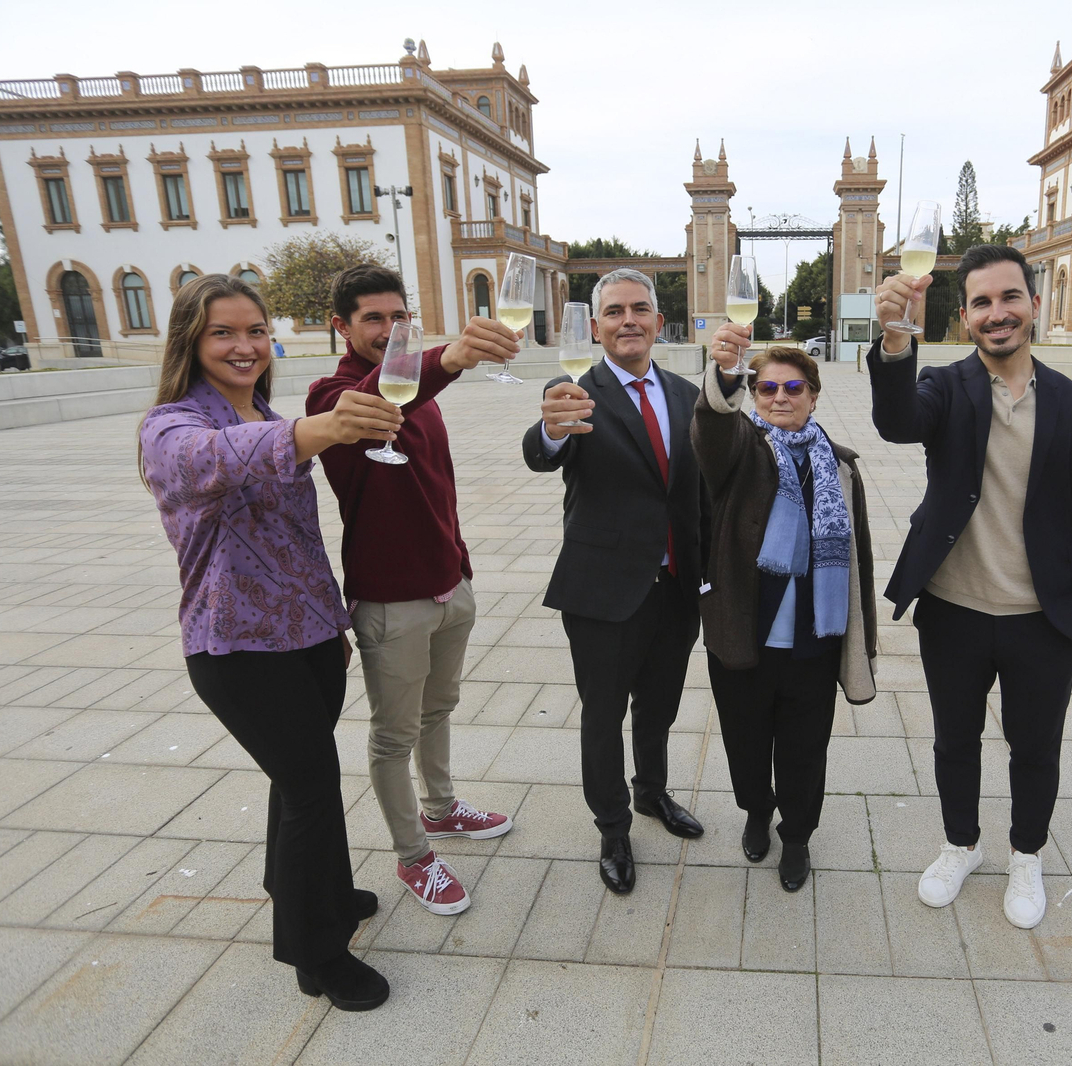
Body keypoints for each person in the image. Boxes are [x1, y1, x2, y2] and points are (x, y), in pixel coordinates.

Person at [140, 273, 404, 1011]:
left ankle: (306, 886)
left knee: (299, 784)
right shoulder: (170, 427)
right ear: (191, 340)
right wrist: (318, 430)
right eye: (224, 332)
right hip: (236, 649)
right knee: (313, 789)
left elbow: (300, 538)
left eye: (254, 330)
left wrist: (332, 624)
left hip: (310, 637)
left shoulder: (262, 408)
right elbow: (214, 461)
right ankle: (317, 954)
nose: (244, 345)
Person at [867, 244, 1072, 928]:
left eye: (1010, 297)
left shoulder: (1071, 403)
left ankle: (1026, 856)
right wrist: (895, 339)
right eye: (981, 302)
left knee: (1036, 747)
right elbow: (896, 423)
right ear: (965, 316)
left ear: (1034, 304)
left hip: (1043, 617)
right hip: (954, 611)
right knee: (956, 740)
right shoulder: (946, 388)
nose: (997, 313)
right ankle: (961, 845)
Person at [307, 264, 520, 917]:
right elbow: (382, 396)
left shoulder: (418, 399)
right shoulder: (332, 397)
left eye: (399, 318)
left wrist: (458, 564)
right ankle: (411, 855)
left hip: (447, 588)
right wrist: (446, 356)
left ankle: (442, 809)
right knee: (393, 735)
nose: (388, 330)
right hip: (390, 601)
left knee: (439, 710)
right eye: (373, 318)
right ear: (340, 326)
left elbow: (439, 486)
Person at [522, 268, 708, 894]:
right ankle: (612, 826)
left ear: (659, 321)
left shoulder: (687, 394)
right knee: (604, 715)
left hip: (675, 587)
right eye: (614, 312)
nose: (628, 320)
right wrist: (550, 430)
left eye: (640, 310)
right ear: (597, 327)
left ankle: (652, 793)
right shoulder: (575, 392)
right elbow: (543, 450)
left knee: (658, 707)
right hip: (604, 589)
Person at [692, 334, 877, 891]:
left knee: (804, 748)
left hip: (813, 639)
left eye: (793, 387)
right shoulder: (739, 452)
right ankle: (755, 811)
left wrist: (861, 637)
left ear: (813, 397)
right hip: (743, 633)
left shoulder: (841, 467)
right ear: (752, 394)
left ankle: (796, 836)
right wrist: (724, 376)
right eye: (766, 387)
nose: (779, 397)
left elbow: (859, 556)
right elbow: (713, 429)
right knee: (745, 741)